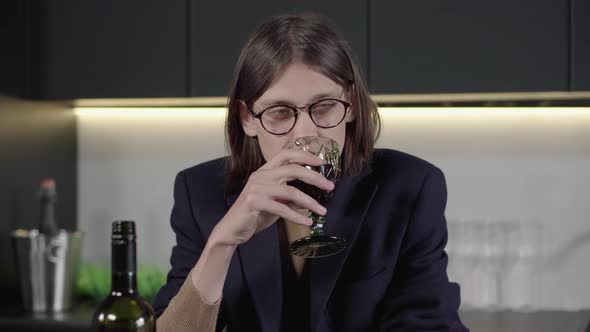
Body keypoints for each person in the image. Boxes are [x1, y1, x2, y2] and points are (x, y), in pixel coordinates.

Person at [154, 13, 468, 332]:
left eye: (324, 107)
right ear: (247, 118)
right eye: (280, 112)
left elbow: (431, 324)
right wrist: (222, 242)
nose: (307, 133)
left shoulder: (411, 186)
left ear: (352, 104)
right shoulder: (199, 192)